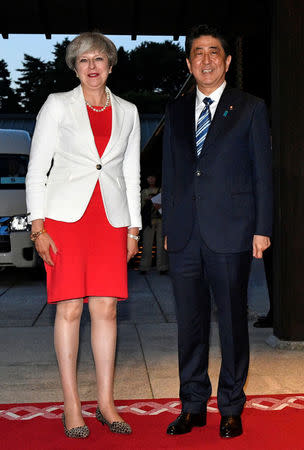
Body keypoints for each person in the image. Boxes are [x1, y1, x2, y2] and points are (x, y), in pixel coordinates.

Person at [26, 32, 141, 439]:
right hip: (65, 222)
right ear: (75, 68)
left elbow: (130, 174)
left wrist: (133, 227)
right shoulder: (57, 105)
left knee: (106, 310)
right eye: (83, 60)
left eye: (99, 59)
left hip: (110, 221)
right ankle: (71, 404)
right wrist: (37, 226)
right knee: (70, 309)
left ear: (110, 65)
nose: (92, 67)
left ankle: (106, 403)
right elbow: (36, 169)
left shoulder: (128, 111)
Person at [162, 24, 272, 439]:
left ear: (226, 61)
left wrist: (262, 228)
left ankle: (231, 406)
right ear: (189, 63)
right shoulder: (174, 111)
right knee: (189, 325)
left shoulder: (250, 108)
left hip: (232, 232)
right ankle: (192, 405)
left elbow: (263, 174)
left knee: (231, 324)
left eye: (213, 52)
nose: (205, 59)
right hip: (185, 234)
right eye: (197, 53)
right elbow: (172, 175)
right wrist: (170, 225)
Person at [139, 174, 168, 274]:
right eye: (149, 177)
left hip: (160, 219)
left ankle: (162, 267)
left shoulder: (161, 190)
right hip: (148, 220)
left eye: (153, 177)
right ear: (146, 179)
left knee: (161, 244)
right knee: (147, 244)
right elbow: (140, 206)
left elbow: (165, 203)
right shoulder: (144, 191)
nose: (151, 179)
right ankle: (144, 267)